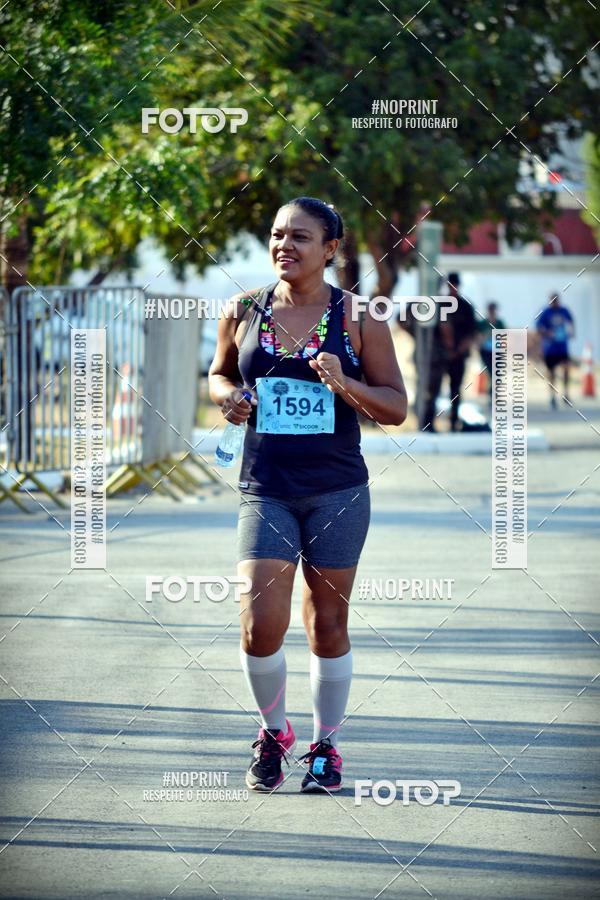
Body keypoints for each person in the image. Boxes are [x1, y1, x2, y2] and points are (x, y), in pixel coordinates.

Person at [209, 197, 407, 794]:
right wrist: (227, 398)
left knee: (327, 624)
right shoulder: (244, 309)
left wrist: (345, 383)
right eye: (276, 235)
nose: (284, 246)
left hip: (337, 490)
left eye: (299, 236)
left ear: (330, 249)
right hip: (265, 487)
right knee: (258, 624)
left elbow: (396, 407)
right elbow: (218, 372)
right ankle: (273, 734)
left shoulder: (358, 316)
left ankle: (326, 747)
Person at [422, 272, 477, 432]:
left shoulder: (465, 306)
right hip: (440, 355)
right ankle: (428, 424)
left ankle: (453, 423)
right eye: (450, 285)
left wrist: (458, 350)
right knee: (433, 390)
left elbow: (471, 333)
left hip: (458, 356)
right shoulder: (441, 304)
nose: (452, 288)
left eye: (455, 285)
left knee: (456, 391)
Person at [535, 293, 575, 408]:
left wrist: (571, 332)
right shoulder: (545, 312)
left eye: (556, 301)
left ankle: (566, 394)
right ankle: (552, 397)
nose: (554, 303)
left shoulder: (564, 310)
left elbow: (571, 321)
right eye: (552, 301)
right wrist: (547, 333)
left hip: (562, 346)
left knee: (566, 369)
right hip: (550, 348)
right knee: (551, 373)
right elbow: (538, 328)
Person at [477, 302, 506, 399]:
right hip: (486, 351)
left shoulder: (499, 323)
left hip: (497, 350)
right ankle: (491, 392)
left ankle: (494, 392)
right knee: (490, 371)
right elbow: (477, 335)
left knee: (497, 372)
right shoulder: (483, 323)